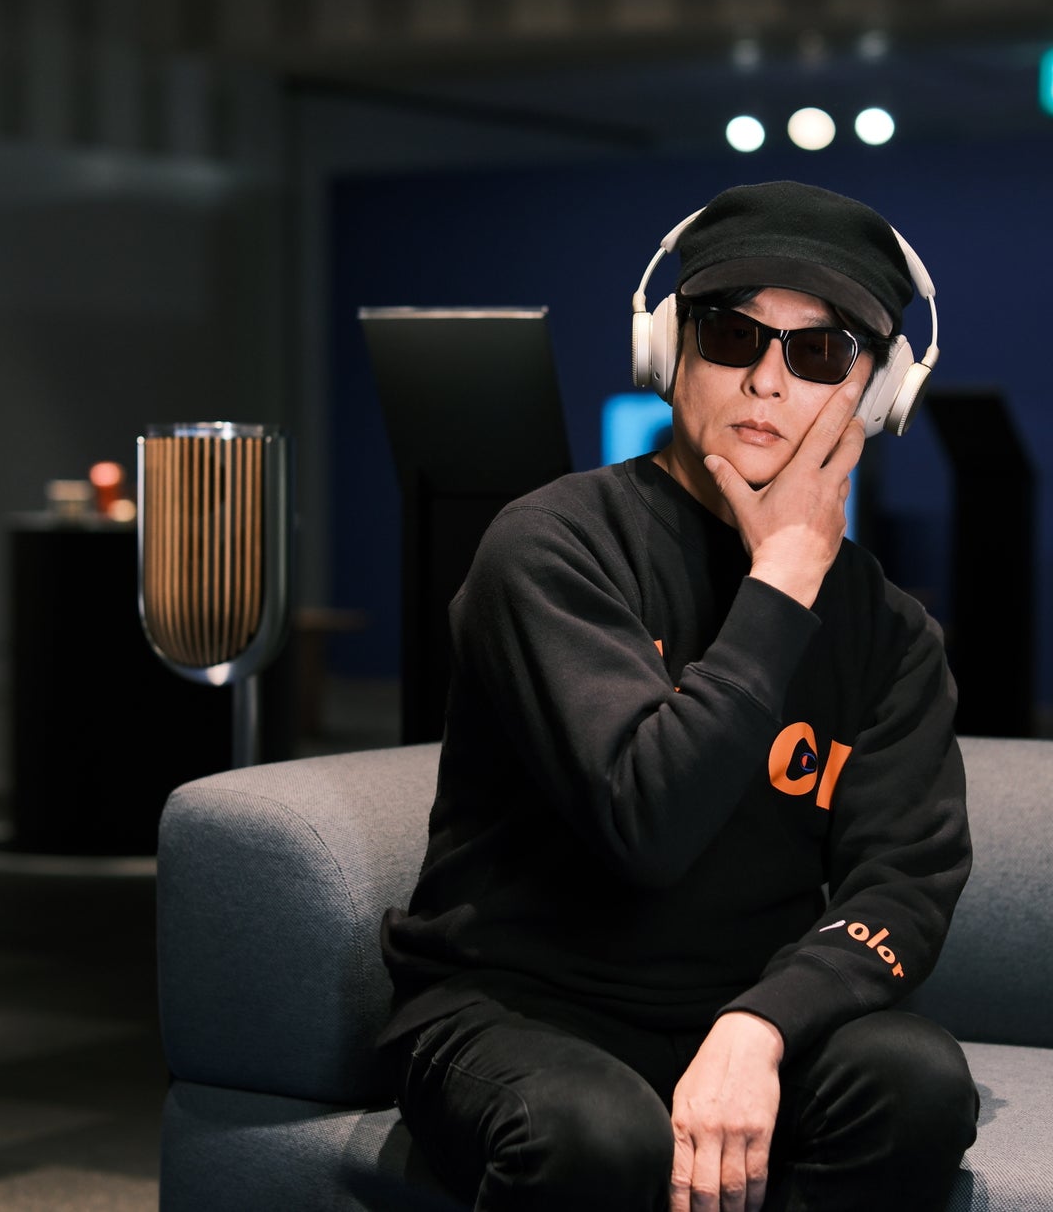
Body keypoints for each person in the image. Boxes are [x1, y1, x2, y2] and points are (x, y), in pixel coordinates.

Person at [379, 180, 978, 1212]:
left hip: (737, 1010)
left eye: (819, 352)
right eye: (732, 336)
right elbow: (645, 823)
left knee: (916, 1084)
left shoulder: (889, 633)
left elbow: (904, 888)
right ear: (669, 350)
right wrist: (781, 585)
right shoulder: (553, 547)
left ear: (876, 394)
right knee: (596, 1134)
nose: (766, 381)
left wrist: (763, 1023)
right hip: (518, 1008)